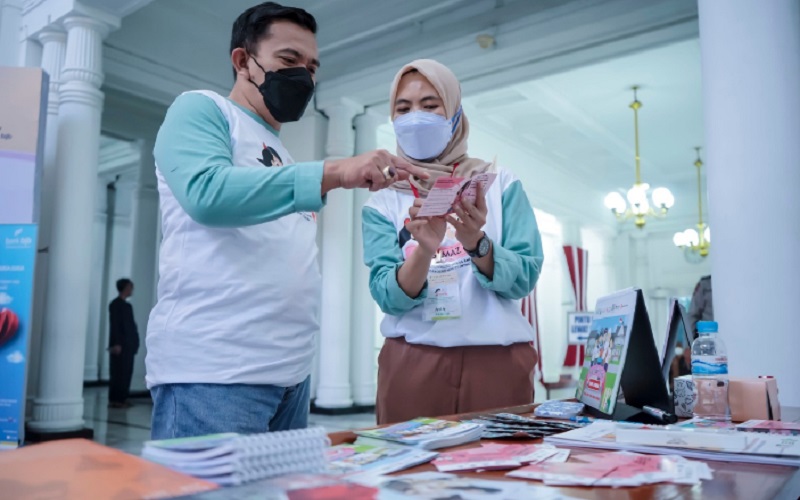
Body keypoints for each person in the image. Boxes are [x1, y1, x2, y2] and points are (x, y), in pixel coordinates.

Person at [146, 2, 426, 439]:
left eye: (312, 67)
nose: (305, 77)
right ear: (243, 62)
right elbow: (207, 194)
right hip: (215, 374)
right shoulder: (203, 110)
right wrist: (333, 172)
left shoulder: (282, 151)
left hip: (289, 376)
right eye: (289, 61)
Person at [362, 59, 544, 425]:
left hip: (497, 361)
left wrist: (476, 242)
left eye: (430, 105)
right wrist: (424, 252)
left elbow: (524, 277)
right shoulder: (382, 199)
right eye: (403, 108)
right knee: (411, 477)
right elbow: (387, 295)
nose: (416, 117)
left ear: (455, 113)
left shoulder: (499, 183)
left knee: (503, 473)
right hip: (413, 362)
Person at [108, 278, 140, 409]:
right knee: (118, 372)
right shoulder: (115, 305)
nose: (132, 290)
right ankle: (116, 399)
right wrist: (116, 344)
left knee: (126, 372)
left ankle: (122, 398)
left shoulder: (127, 306)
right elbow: (115, 326)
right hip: (120, 345)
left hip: (128, 345)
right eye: (130, 287)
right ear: (126, 288)